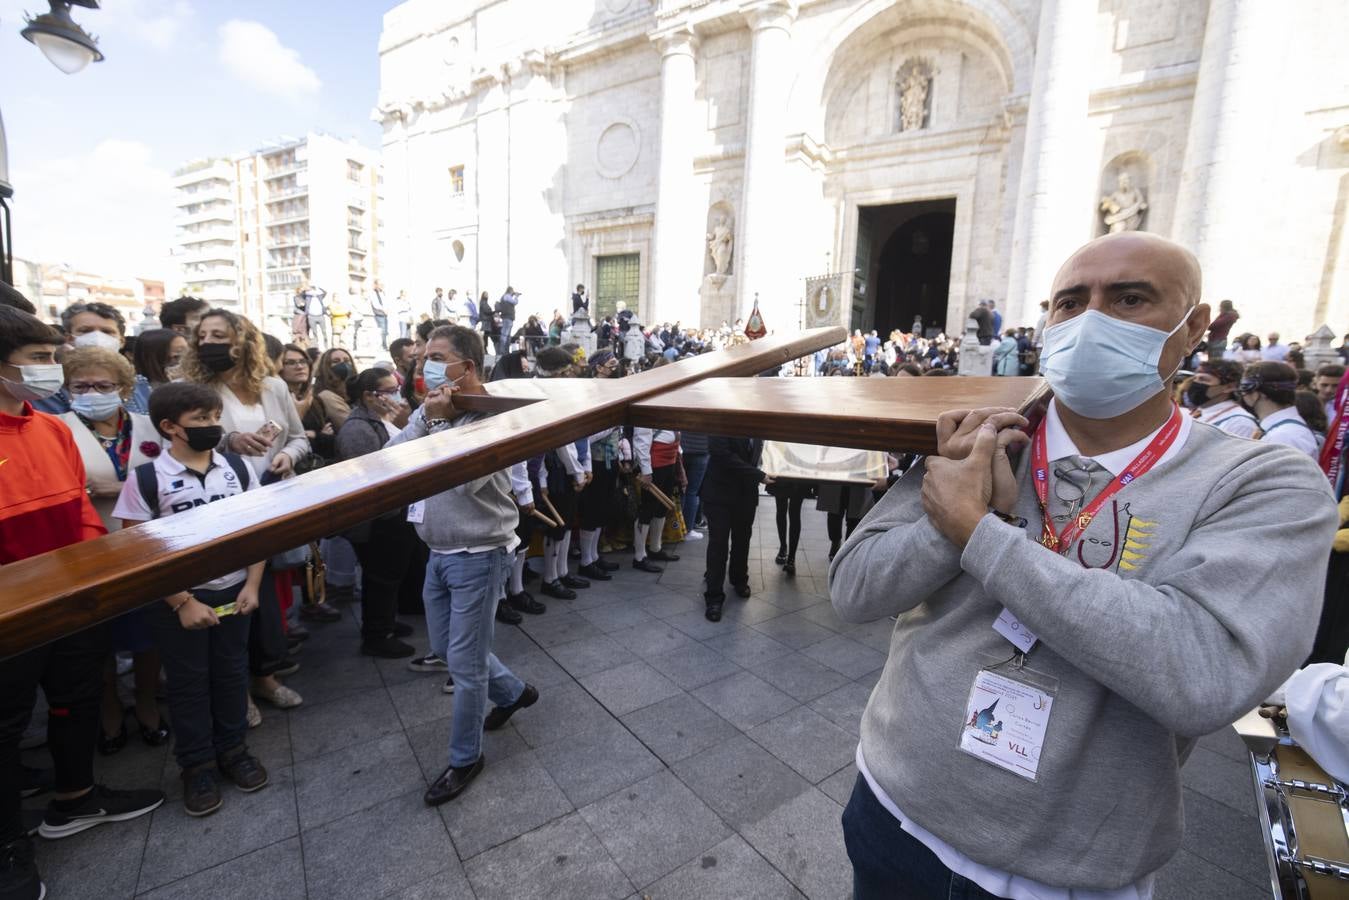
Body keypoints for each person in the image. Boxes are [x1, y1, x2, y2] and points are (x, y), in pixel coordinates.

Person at [831, 230, 1337, 899]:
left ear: (1192, 330)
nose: (1090, 319)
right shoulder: (981, 439)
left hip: (1066, 867)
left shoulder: (1261, 481)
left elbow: (1204, 671)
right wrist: (943, 525)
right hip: (895, 807)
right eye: (1069, 303)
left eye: (1129, 299)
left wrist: (979, 533)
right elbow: (854, 587)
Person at [0, 307, 164, 900]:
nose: (53, 369)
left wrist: (94, 575)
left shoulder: (50, 431)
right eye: (41, 360)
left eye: (51, 357)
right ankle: (8, 848)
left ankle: (76, 797)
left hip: (73, 595)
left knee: (75, 697)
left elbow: (77, 510)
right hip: (10, 613)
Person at [384, 325, 538, 804]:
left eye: (436, 357)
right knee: (449, 651)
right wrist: (425, 421)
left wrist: (432, 424)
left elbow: (457, 477)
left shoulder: (491, 419)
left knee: (466, 667)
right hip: (438, 550)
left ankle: (465, 757)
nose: (424, 366)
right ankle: (513, 692)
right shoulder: (432, 412)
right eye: (423, 357)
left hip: (478, 554)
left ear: (466, 367)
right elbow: (389, 464)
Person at [113, 382, 269, 817]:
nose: (211, 426)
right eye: (199, 420)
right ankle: (196, 764)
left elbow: (258, 530)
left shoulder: (235, 467)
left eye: (214, 417)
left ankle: (234, 749)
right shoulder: (147, 479)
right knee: (188, 685)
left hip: (235, 590)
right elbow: (138, 551)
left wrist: (252, 585)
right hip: (181, 602)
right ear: (170, 427)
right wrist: (181, 601)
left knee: (231, 674)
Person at [181, 309, 308, 713]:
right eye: (202, 336)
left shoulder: (273, 386)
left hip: (273, 499)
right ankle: (236, 691)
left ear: (243, 340)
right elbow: (185, 444)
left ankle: (264, 677)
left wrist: (288, 454)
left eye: (219, 334)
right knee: (229, 591)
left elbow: (300, 438)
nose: (209, 343)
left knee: (265, 594)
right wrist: (229, 441)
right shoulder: (194, 387)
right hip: (224, 506)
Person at [58, 346, 170, 755]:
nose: (91, 392)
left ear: (123, 389)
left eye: (102, 385)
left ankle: (145, 702)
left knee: (147, 633)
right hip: (88, 549)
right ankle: (109, 709)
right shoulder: (58, 429)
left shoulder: (149, 426)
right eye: (80, 385)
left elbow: (170, 477)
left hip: (148, 544)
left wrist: (113, 489)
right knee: (99, 638)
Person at [335, 368, 420, 658]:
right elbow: (371, 474)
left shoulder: (386, 419)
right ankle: (377, 635)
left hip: (397, 511)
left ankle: (387, 621)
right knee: (380, 576)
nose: (396, 394)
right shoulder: (357, 428)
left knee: (392, 574)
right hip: (379, 518)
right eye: (389, 389)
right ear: (369, 395)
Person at [701, 434, 765, 622]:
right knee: (718, 545)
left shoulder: (759, 424)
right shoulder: (722, 416)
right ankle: (714, 596)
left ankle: (739, 578)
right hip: (719, 493)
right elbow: (722, 455)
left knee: (742, 539)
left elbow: (761, 454)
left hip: (746, 494)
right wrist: (760, 476)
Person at [1237, 361, 1319, 457]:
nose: (1242, 395)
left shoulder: (1282, 436)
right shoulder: (1280, 431)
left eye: (1244, 388)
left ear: (1258, 393)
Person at [279, 345, 338, 473]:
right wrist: (318, 435)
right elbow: (282, 440)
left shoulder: (315, 400)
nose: (299, 367)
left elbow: (332, 437)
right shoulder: (276, 401)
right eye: (290, 363)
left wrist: (315, 435)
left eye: (302, 361)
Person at [632, 424, 682, 572]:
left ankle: (655, 548)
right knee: (647, 509)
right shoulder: (647, 410)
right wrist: (646, 470)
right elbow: (641, 440)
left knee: (662, 507)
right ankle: (639, 557)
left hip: (669, 461)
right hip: (655, 463)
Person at [1185, 359, 1258, 438]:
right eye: (1194, 378)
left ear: (1229, 387)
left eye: (1203, 379)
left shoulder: (1240, 423)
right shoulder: (1198, 412)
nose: (1195, 383)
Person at [769, 475, 814, 576]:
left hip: (793, 473)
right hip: (788, 472)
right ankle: (787, 552)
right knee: (787, 511)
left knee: (790, 511)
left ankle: (788, 553)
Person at [312, 348, 356, 430]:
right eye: (336, 361)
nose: (343, 364)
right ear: (326, 366)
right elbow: (351, 425)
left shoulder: (355, 390)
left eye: (346, 361)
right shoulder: (327, 396)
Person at [301, 285, 330, 351]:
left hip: (320, 316)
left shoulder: (319, 296)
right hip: (311, 316)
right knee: (314, 333)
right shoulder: (308, 297)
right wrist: (306, 289)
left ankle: (326, 346)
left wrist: (318, 287)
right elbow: (302, 294)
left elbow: (325, 292)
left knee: (324, 332)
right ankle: (316, 347)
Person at [496, 287, 520, 355]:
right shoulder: (507, 296)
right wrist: (516, 296)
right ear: (510, 291)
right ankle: (502, 351)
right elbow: (515, 302)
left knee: (507, 335)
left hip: (507, 317)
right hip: (508, 318)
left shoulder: (505, 297)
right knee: (505, 335)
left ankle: (505, 351)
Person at [369, 280, 389, 349]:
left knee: (385, 331)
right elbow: (375, 304)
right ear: (376, 285)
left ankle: (384, 344)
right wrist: (383, 310)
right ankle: (383, 345)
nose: (381, 286)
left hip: (385, 314)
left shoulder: (383, 293)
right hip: (379, 313)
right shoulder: (373, 293)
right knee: (382, 330)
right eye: (380, 284)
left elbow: (385, 302)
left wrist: (387, 310)